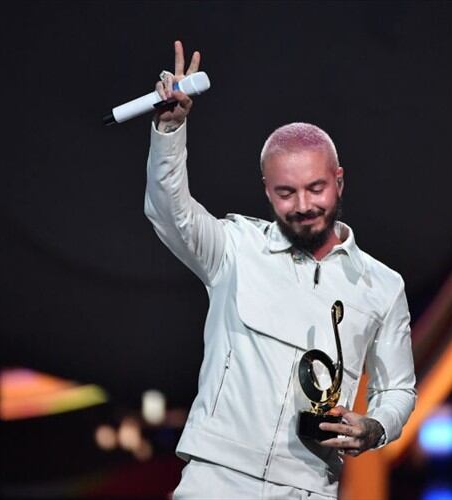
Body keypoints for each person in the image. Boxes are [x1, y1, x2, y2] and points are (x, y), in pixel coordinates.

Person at [144, 41, 416, 499]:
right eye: (287, 193)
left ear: (339, 181)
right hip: (216, 478)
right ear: (267, 191)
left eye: (316, 188)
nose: (305, 205)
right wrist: (170, 131)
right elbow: (169, 213)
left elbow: (399, 390)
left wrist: (375, 427)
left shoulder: (382, 287)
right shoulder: (235, 249)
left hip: (308, 487)